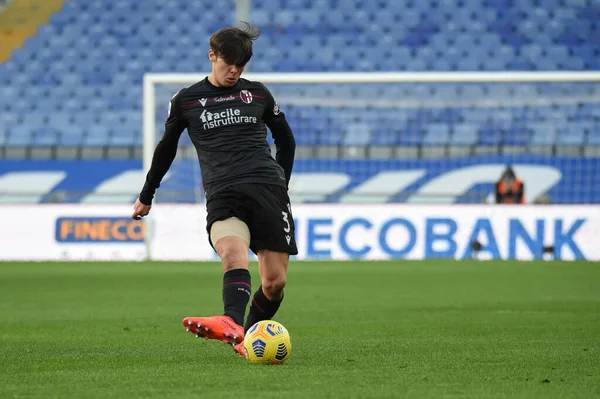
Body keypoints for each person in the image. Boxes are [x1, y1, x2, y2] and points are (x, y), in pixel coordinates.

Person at [131, 23, 297, 358]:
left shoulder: (259, 94)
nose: (234, 71)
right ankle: (232, 323)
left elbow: (286, 140)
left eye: (241, 66)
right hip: (224, 193)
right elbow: (166, 149)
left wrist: (282, 183)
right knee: (233, 254)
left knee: (274, 283)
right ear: (212, 56)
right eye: (228, 63)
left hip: (267, 189)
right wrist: (147, 194)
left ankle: (246, 336)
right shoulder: (187, 100)